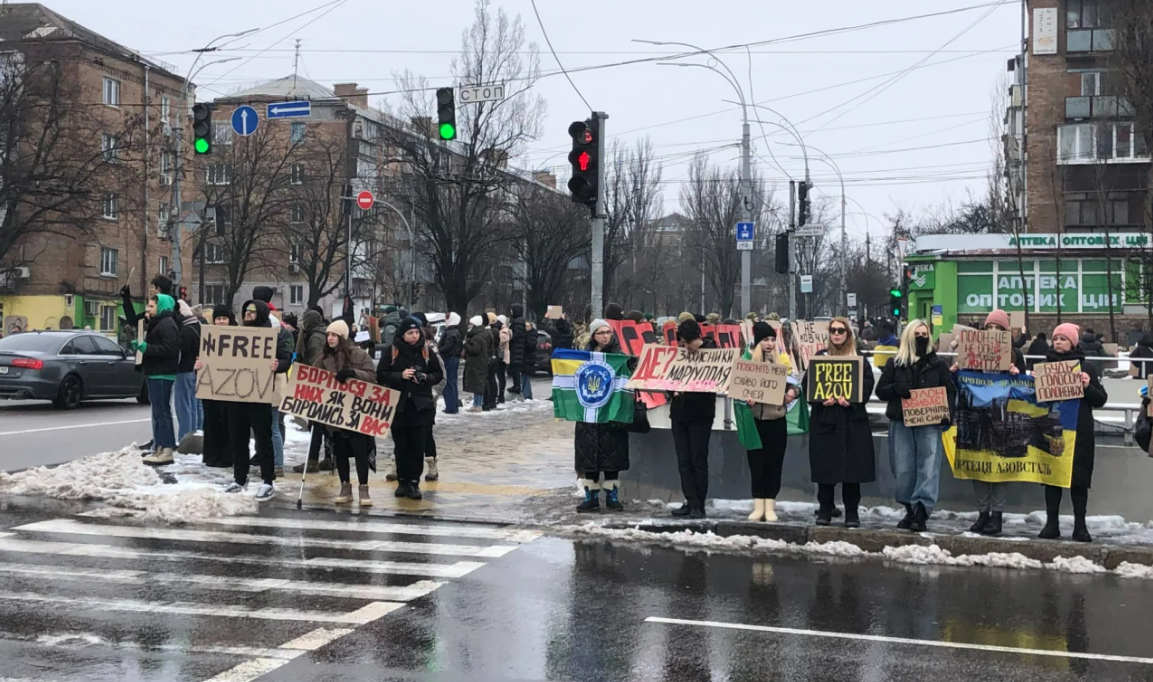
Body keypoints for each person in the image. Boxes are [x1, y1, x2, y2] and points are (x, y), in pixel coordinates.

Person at [948, 310, 1024, 535]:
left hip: (1001, 417)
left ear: (1004, 332)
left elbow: (1024, 387)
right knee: (978, 466)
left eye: (997, 328)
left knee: (999, 468)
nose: (992, 332)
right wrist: (956, 372)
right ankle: (983, 514)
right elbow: (963, 383)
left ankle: (997, 516)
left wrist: (1016, 373)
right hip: (976, 416)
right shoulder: (972, 352)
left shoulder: (1016, 354)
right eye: (989, 327)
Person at [877, 319, 955, 533]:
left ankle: (921, 510)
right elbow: (880, 390)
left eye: (925, 334)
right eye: (917, 334)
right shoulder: (896, 363)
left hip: (929, 422)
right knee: (903, 467)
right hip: (901, 422)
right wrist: (896, 388)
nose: (922, 338)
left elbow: (949, 390)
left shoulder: (937, 365)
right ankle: (908, 507)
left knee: (928, 466)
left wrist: (947, 413)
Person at [1039, 323, 1108, 542]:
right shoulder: (1044, 367)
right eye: (1056, 338)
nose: (1058, 342)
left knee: (1078, 480)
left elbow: (1101, 400)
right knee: (1052, 479)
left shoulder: (1086, 368)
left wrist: (1088, 387)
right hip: (1052, 428)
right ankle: (1052, 524)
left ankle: (1080, 526)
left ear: (1073, 342)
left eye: (1063, 338)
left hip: (1079, 432)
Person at [808, 317, 875, 527]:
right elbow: (808, 386)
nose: (836, 334)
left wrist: (853, 401)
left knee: (852, 470)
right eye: (833, 330)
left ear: (848, 334)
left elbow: (867, 386)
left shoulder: (859, 359)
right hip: (825, 421)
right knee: (825, 469)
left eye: (840, 330)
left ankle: (852, 512)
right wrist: (820, 399)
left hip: (852, 421)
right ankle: (825, 509)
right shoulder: (820, 357)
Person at [377, 317, 443, 499]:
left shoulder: (426, 351)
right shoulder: (392, 351)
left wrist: (425, 378)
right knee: (401, 447)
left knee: (417, 447)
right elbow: (381, 374)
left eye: (416, 333)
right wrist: (400, 375)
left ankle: (414, 483)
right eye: (410, 333)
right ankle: (402, 482)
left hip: (421, 408)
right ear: (403, 334)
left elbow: (438, 374)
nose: (414, 336)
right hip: (399, 407)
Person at [223, 300, 282, 502]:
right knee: (237, 438)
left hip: (259, 394)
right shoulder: (235, 334)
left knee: (263, 439)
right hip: (237, 394)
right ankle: (240, 478)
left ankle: (267, 481)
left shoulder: (273, 334)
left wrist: (278, 364)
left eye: (252, 311)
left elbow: (286, 358)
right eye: (246, 310)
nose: (248, 314)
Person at [740, 322, 799, 523]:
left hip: (776, 420)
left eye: (773, 339)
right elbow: (737, 390)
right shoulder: (747, 363)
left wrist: (791, 393)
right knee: (756, 464)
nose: (770, 343)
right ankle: (758, 504)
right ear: (758, 342)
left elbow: (795, 385)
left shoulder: (781, 362)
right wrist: (746, 398)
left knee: (774, 463)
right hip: (755, 421)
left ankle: (770, 504)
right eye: (765, 339)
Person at [317, 320, 378, 505]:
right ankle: (345, 486)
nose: (330, 338)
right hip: (334, 413)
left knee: (360, 451)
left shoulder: (359, 355)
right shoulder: (322, 359)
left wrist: (353, 373)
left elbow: (372, 377)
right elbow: (314, 381)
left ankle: (363, 488)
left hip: (356, 413)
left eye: (334, 335)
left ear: (342, 337)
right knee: (340, 451)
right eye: (328, 335)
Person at [575, 320, 630, 512]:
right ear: (593, 335)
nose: (606, 336)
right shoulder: (584, 357)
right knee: (589, 456)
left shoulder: (618, 356)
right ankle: (591, 497)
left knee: (611, 456)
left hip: (611, 414)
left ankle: (612, 496)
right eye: (601, 333)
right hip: (588, 414)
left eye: (608, 332)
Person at [669, 319, 717, 519]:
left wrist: (685, 394)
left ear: (697, 338)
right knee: (683, 461)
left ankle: (699, 504)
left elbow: (712, 383)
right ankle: (690, 500)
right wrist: (673, 392)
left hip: (700, 414)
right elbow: (668, 378)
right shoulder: (680, 355)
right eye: (682, 344)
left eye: (687, 343)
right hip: (679, 414)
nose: (685, 348)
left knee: (698, 460)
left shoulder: (713, 354)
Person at [134, 294, 181, 466]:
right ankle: (160, 447)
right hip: (155, 371)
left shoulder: (167, 324)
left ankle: (166, 449)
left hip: (163, 373)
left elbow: (169, 349)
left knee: (162, 413)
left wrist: (147, 348)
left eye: (152, 306)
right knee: (158, 412)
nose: (148, 309)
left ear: (161, 307)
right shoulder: (158, 323)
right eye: (148, 306)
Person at [291, 308, 334, 474]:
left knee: (316, 424)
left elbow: (315, 362)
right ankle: (330, 458)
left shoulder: (315, 338)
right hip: (327, 386)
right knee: (327, 426)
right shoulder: (323, 334)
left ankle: (313, 460)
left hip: (318, 385)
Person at [199, 306, 234, 469]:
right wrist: (198, 364)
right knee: (211, 422)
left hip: (230, 388)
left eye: (224, 319)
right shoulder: (207, 336)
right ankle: (211, 455)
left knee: (227, 423)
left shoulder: (238, 335)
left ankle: (226, 456)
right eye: (218, 318)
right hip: (211, 386)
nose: (221, 321)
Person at [174, 300, 202, 442]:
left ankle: (185, 438)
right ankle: (196, 433)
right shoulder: (198, 325)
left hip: (184, 369)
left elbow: (181, 351)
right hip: (195, 368)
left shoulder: (184, 330)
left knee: (183, 405)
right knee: (194, 404)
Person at [464, 315, 492, 413]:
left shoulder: (476, 337)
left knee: (477, 384)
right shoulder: (486, 333)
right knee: (479, 383)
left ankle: (477, 405)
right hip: (482, 362)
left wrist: (465, 344)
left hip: (476, 363)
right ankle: (478, 404)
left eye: (471, 324)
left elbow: (474, 350)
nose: (469, 326)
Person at [438, 313, 463, 414]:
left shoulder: (450, 332)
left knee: (448, 383)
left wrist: (438, 350)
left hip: (449, 358)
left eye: (446, 318)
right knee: (453, 382)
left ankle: (451, 407)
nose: (445, 320)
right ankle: (453, 405)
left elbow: (448, 347)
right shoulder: (456, 331)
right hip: (454, 358)